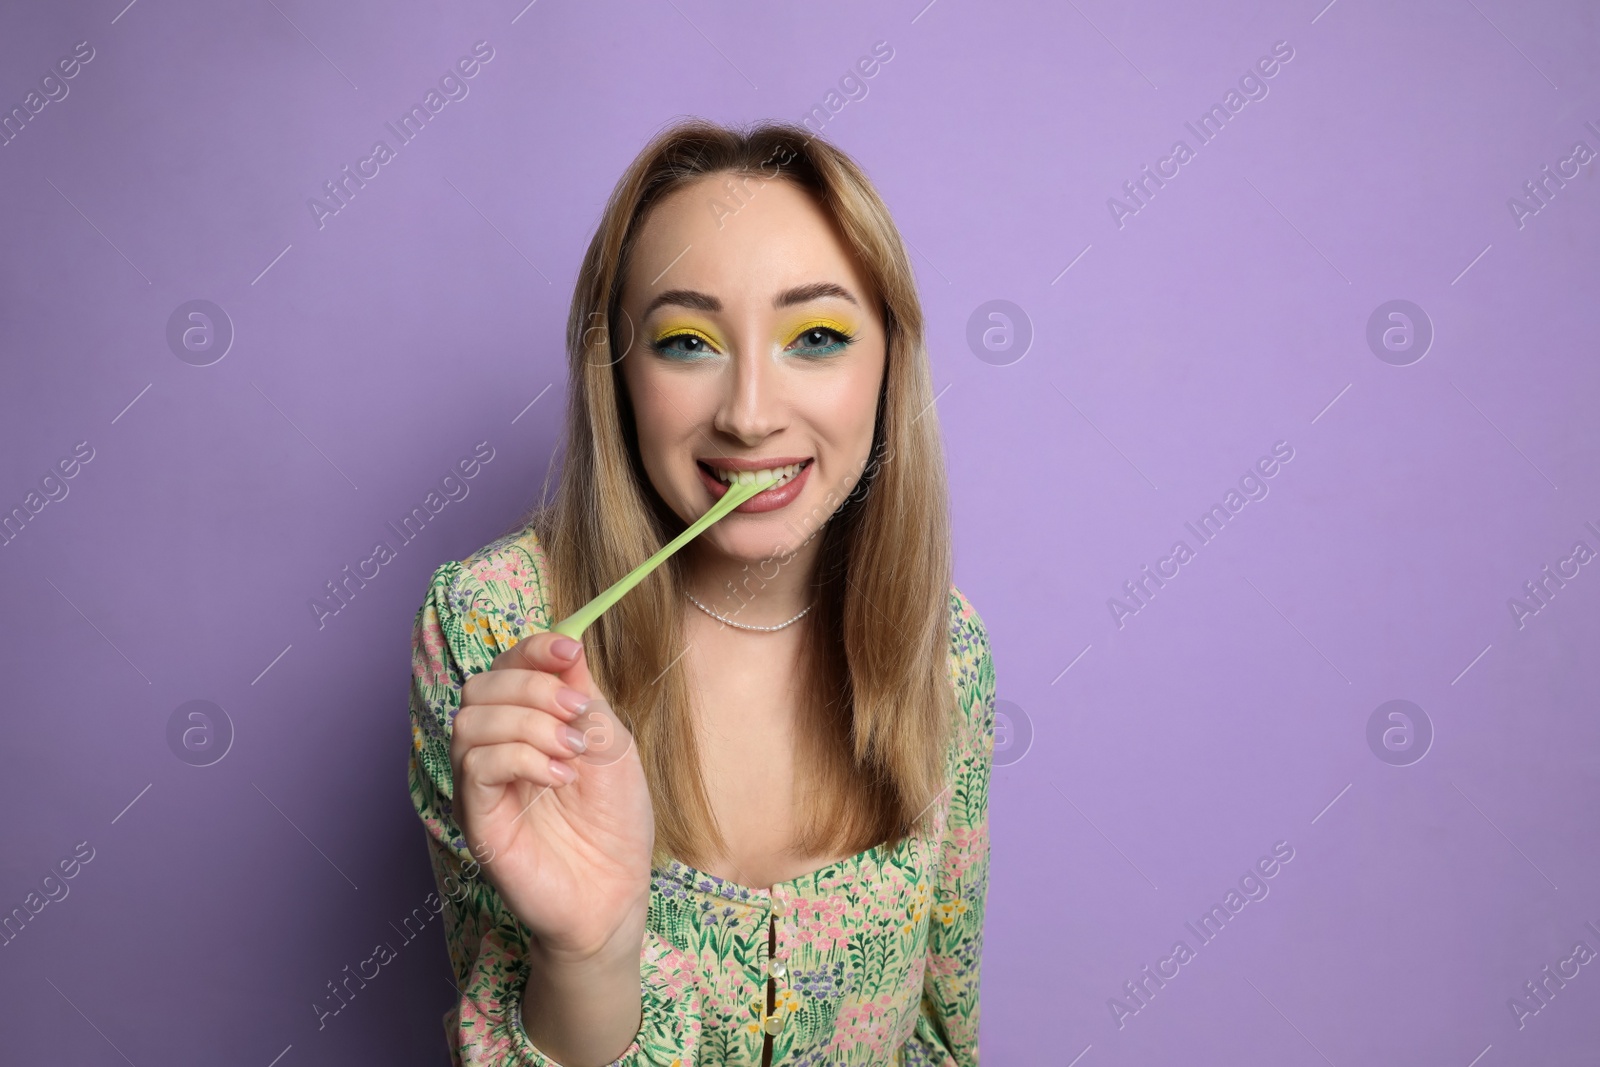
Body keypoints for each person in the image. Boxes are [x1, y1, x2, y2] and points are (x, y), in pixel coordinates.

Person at [407, 117, 996, 1066]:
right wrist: (591, 954)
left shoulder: (943, 644)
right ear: (618, 373)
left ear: (889, 364)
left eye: (816, 335)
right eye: (686, 341)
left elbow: (941, 1035)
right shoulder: (495, 628)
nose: (751, 413)